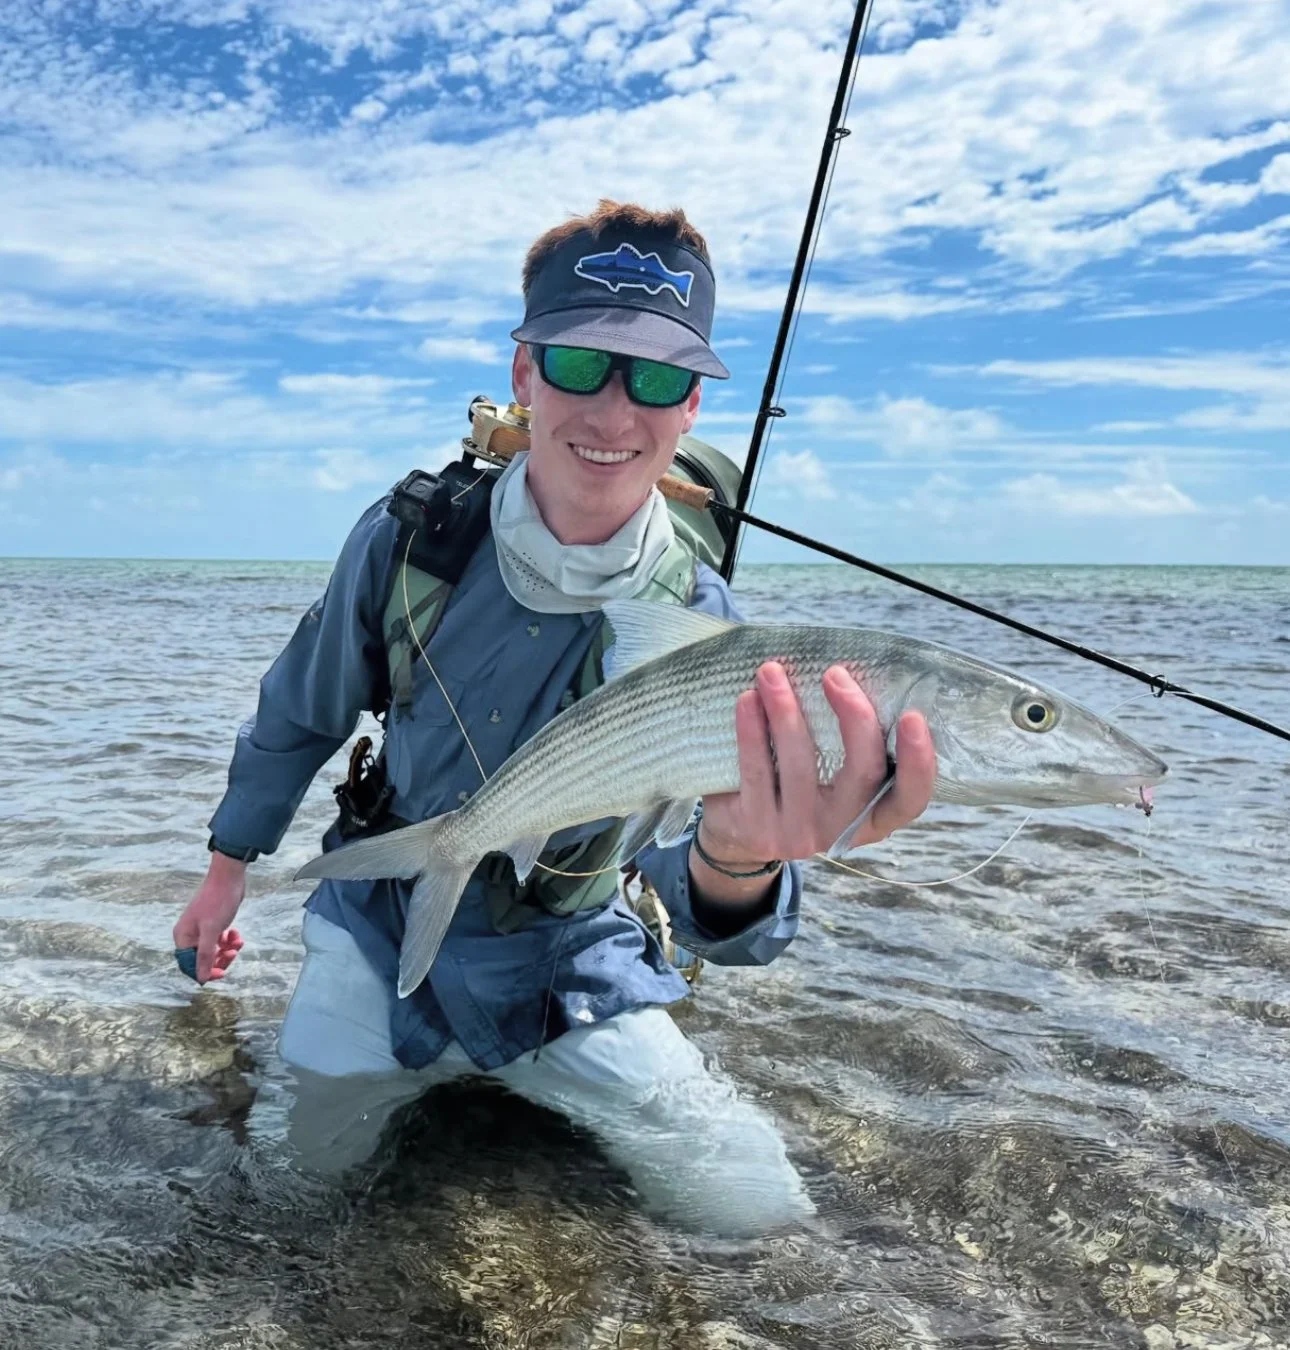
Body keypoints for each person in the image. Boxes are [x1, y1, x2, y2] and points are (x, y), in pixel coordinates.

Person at [173, 199, 937, 1237]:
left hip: (569, 963)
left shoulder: (710, 631)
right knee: (288, 1198)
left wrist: (745, 859)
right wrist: (224, 878)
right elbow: (300, 710)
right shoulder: (410, 543)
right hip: (380, 922)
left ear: (692, 409)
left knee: (762, 1215)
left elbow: (704, 900)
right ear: (525, 372)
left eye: (659, 378)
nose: (616, 413)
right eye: (582, 363)